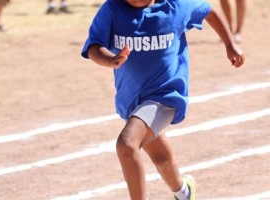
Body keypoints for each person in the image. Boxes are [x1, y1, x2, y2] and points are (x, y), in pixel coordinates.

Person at [81, 0, 245, 199]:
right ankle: (184, 192)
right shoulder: (113, 8)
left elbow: (208, 11)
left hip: (166, 96)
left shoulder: (176, 6)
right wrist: (110, 59)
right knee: (160, 156)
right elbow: (94, 45)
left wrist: (229, 43)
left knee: (127, 144)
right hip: (132, 98)